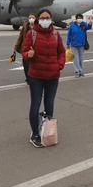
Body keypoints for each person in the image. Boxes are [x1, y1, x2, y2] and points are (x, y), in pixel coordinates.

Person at [22, 9, 66, 147]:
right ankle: (35, 134)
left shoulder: (55, 34)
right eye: (42, 18)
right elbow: (24, 51)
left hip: (53, 76)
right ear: (38, 20)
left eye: (47, 18)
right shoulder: (32, 33)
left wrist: (59, 65)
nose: (45, 20)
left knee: (49, 104)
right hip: (36, 76)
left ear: (51, 19)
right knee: (35, 104)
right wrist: (28, 54)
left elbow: (61, 52)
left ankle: (47, 130)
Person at [14, 14, 36, 83]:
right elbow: (21, 36)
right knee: (25, 64)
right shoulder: (25, 26)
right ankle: (27, 77)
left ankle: (32, 77)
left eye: (33, 17)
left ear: (35, 19)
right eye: (30, 18)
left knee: (32, 64)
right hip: (25, 47)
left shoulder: (38, 27)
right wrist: (17, 45)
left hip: (34, 48)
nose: (31, 19)